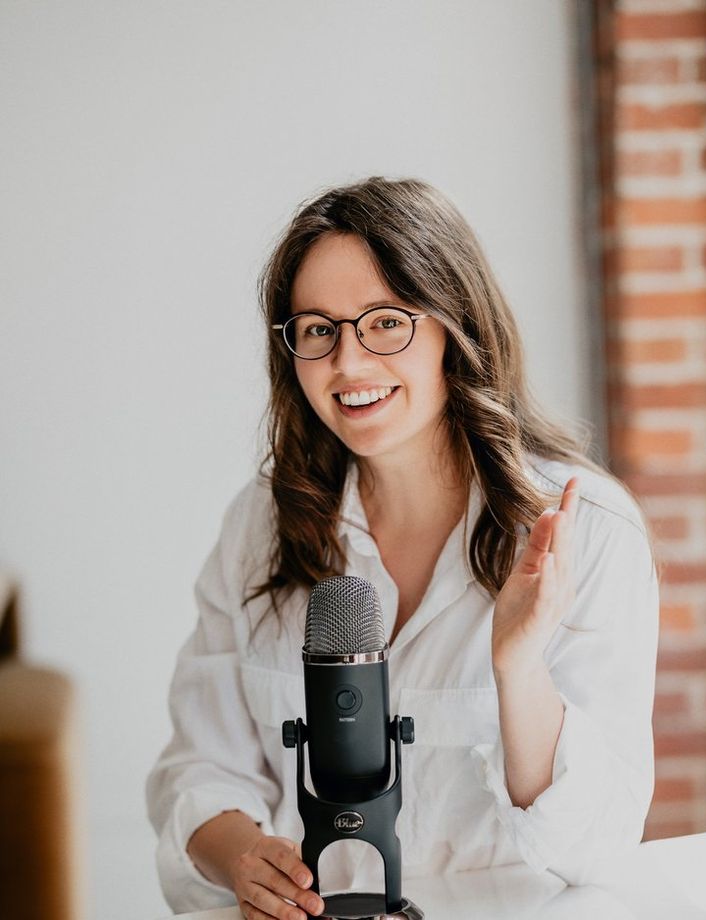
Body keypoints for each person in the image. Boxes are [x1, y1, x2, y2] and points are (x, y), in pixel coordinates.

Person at [146, 177, 659, 920]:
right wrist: (242, 859)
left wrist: (518, 671)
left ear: (455, 325)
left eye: (385, 323)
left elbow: (596, 850)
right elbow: (199, 765)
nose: (348, 365)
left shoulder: (587, 532)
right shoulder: (261, 525)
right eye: (318, 330)